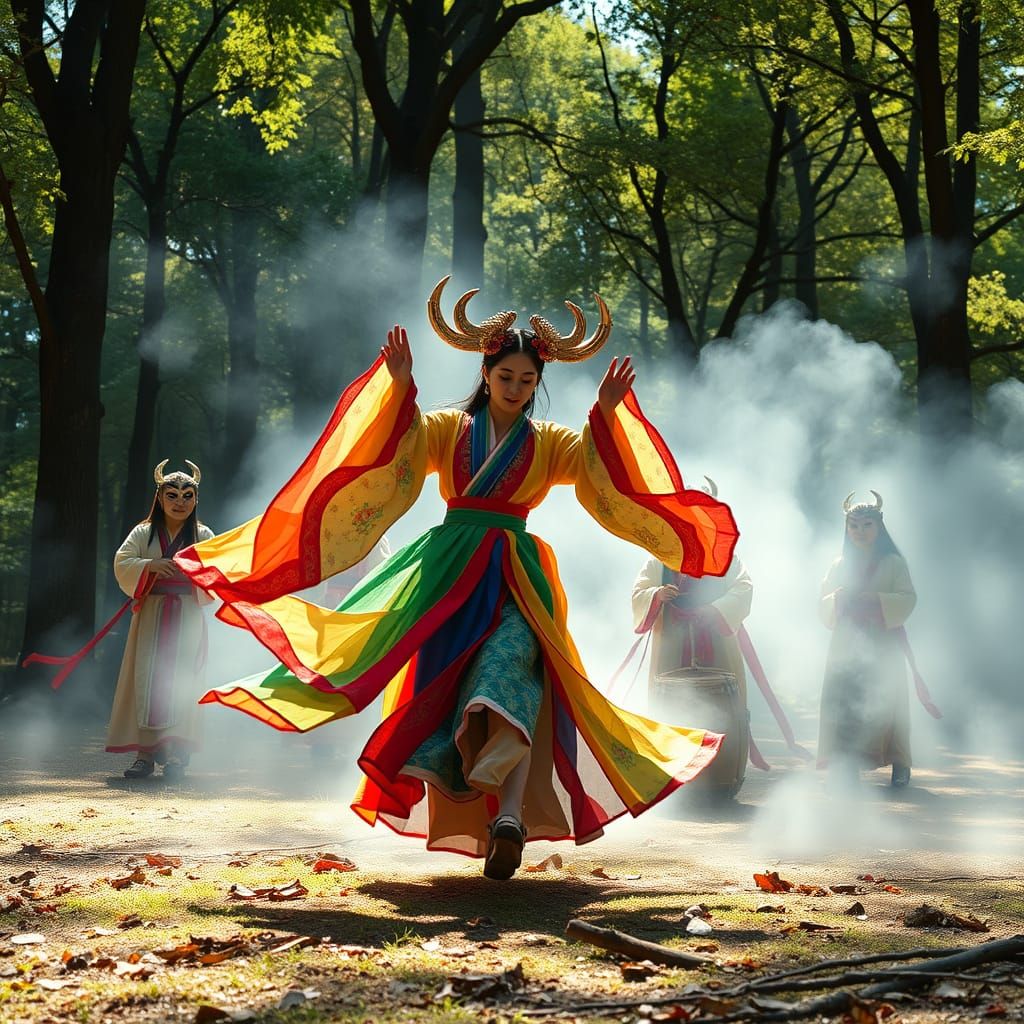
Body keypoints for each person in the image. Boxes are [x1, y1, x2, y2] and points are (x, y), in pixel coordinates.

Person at [175, 277, 739, 879]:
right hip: (448, 576)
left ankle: (510, 819)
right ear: (486, 373)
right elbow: (396, 451)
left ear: (538, 383)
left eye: (528, 381)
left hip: (518, 579)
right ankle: (491, 801)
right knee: (451, 692)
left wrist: (605, 414)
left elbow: (604, 477)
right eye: (506, 378)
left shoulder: (549, 443)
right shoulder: (448, 430)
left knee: (513, 675)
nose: (517, 389)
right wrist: (394, 389)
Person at [631, 482, 753, 797]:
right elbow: (639, 589)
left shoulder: (726, 558)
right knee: (670, 709)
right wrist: (656, 594)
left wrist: (715, 609)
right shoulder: (659, 558)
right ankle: (674, 785)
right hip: (671, 649)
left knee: (721, 709)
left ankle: (722, 780)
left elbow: (744, 588)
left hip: (717, 649)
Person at [106, 461, 214, 780]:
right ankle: (145, 755)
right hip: (151, 616)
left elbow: (218, 571)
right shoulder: (144, 532)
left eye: (187, 495)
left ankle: (178, 756)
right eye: (172, 495)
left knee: (184, 681)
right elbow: (123, 561)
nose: (179, 502)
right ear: (160, 498)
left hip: (188, 617)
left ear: (196, 499)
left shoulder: (203, 534)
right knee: (148, 681)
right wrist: (150, 565)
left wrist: (194, 573)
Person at [817, 491, 916, 787]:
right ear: (847, 529)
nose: (860, 532)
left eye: (867, 525)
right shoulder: (838, 564)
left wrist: (876, 599)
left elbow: (908, 598)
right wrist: (837, 598)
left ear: (879, 527)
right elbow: (823, 604)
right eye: (854, 526)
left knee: (891, 704)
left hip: (882, 643)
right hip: (846, 644)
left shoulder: (894, 562)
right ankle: (846, 765)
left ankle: (901, 763)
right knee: (844, 703)